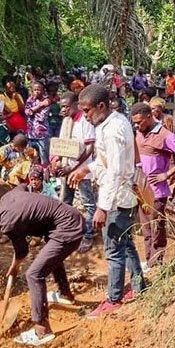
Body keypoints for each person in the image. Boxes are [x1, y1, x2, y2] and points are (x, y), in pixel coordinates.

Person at [67, 84, 147, 317]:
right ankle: (139, 286)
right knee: (126, 243)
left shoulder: (113, 131)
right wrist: (86, 169)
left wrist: (102, 207)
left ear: (101, 106)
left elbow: (115, 171)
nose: (85, 116)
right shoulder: (112, 121)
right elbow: (107, 161)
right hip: (121, 195)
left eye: (87, 110)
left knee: (113, 249)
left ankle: (114, 300)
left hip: (116, 198)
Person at [0, 193, 84, 346]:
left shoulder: (9, 222)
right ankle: (65, 294)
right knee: (50, 257)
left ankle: (42, 330)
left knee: (34, 274)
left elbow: (22, 251)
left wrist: (14, 267)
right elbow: (22, 188)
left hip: (68, 227)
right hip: (64, 222)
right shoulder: (6, 198)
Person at [132, 102, 175, 267]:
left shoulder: (164, 134)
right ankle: (149, 261)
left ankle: (157, 263)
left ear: (149, 116)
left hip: (157, 192)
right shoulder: (139, 132)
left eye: (140, 122)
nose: (137, 125)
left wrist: (167, 174)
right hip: (141, 189)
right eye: (135, 122)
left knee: (156, 227)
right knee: (146, 228)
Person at [53, 91, 96, 253]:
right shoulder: (66, 121)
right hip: (66, 168)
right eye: (61, 107)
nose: (63, 110)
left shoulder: (85, 121)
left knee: (88, 203)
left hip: (82, 170)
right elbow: (61, 144)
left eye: (66, 107)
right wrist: (57, 159)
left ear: (76, 105)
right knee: (66, 201)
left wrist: (74, 167)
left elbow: (90, 147)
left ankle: (89, 235)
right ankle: (68, 231)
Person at [24, 81, 52, 164]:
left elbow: (42, 117)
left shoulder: (46, 101)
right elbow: (27, 112)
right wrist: (39, 106)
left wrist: (32, 111)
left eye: (39, 90)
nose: (36, 91)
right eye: (35, 90)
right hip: (30, 134)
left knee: (44, 157)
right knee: (31, 157)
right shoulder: (29, 100)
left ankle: (45, 173)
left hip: (42, 134)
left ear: (43, 91)